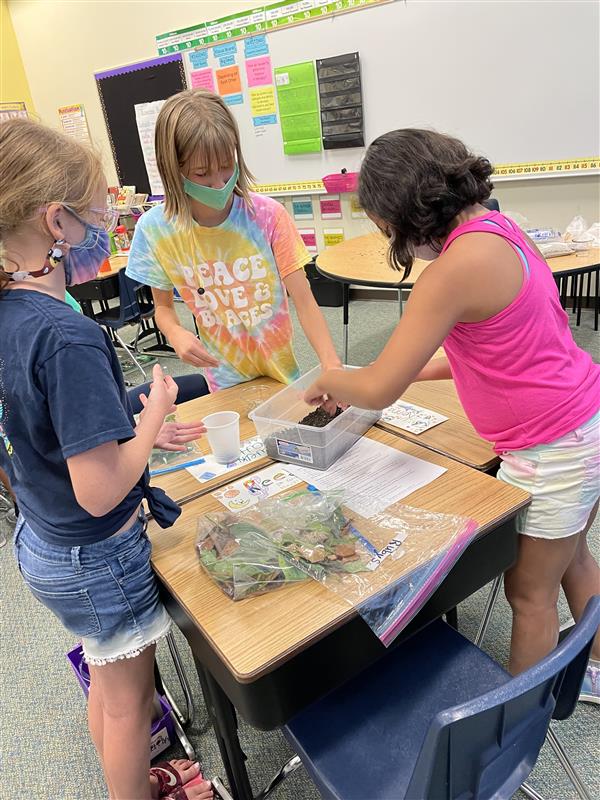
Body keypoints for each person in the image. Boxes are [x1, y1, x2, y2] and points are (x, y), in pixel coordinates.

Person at [304, 129, 600, 696]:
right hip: (581, 420)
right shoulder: (498, 228)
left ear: (406, 214)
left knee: (529, 593)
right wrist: (397, 370)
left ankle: (519, 721)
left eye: (384, 226)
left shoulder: (449, 273)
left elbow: (379, 386)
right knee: (574, 557)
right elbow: (491, 349)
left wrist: (330, 377)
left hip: (554, 445)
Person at [0, 117, 212, 799]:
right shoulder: (65, 333)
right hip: (96, 553)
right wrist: (148, 423)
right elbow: (98, 492)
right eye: (97, 213)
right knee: (129, 703)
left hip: (43, 541)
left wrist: (123, 423)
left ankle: (128, 776)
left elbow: (45, 424)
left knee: (105, 673)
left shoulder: (12, 311)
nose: (104, 228)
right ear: (54, 221)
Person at [126, 89, 341, 393]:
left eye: (227, 165)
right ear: (173, 169)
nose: (220, 183)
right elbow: (163, 308)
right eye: (202, 173)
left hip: (281, 374)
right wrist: (175, 333)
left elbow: (305, 302)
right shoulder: (156, 229)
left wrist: (330, 363)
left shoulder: (268, 216)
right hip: (222, 380)